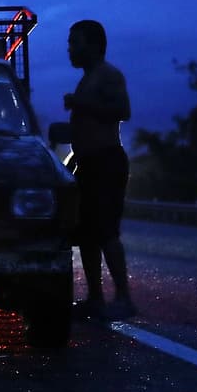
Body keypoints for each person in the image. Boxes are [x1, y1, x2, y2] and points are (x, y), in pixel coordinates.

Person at [64, 19, 136, 320]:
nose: (70, 49)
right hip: (87, 163)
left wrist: (81, 104)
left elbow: (123, 111)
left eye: (75, 42)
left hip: (106, 161)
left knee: (106, 230)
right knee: (87, 234)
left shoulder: (108, 75)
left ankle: (123, 298)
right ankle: (95, 297)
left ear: (93, 45)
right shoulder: (89, 77)